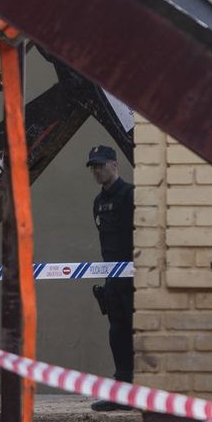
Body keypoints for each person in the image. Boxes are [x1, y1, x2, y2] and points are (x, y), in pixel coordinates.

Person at [88, 144, 134, 406]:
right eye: (94, 166)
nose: (97, 170)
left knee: (137, 334)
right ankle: (123, 391)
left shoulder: (130, 195)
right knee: (118, 335)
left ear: (115, 165)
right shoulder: (98, 202)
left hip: (135, 278)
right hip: (113, 280)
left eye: (101, 165)